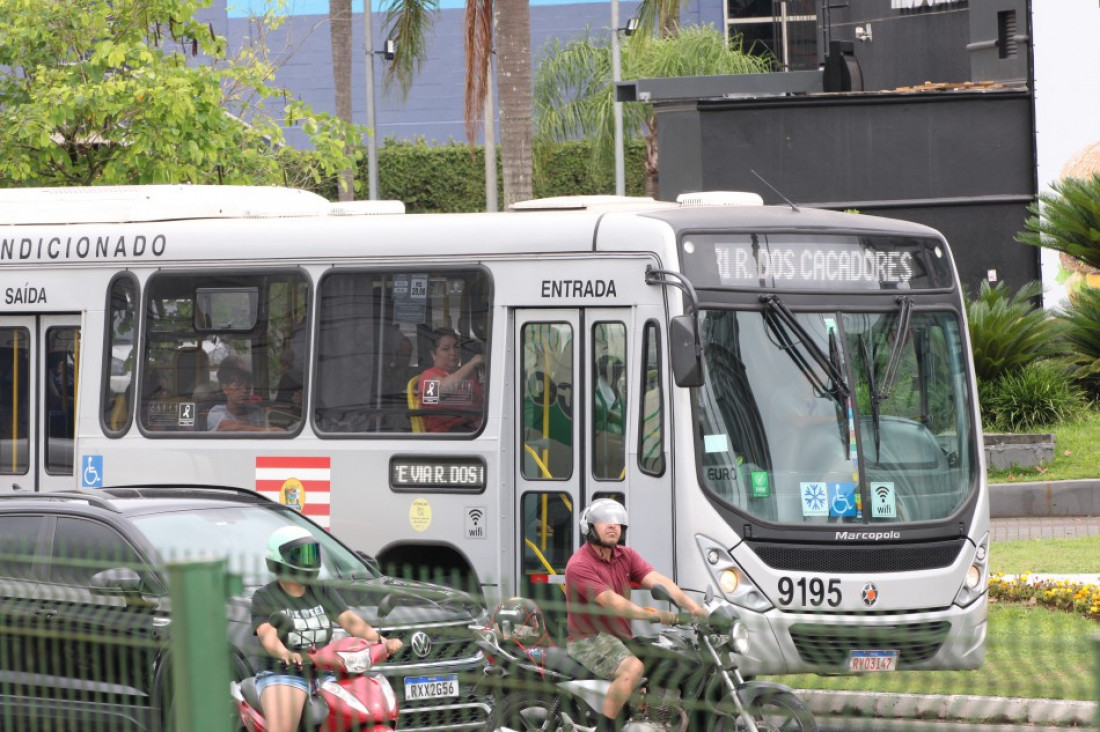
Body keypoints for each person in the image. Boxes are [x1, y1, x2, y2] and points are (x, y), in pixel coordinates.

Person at [564, 499, 706, 731]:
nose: (612, 526)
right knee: (632, 669)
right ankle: (605, 727)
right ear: (589, 528)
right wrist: (651, 615)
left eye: (617, 522)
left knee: (678, 662)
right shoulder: (579, 565)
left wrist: (694, 607)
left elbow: (658, 581)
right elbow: (612, 603)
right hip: (589, 640)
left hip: (621, 638)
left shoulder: (626, 555)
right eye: (604, 522)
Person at [251, 526, 403, 732]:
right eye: (301, 555)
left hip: (326, 671)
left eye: (312, 553)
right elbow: (267, 635)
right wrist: (285, 653)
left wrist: (381, 641)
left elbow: (350, 621)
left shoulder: (321, 590)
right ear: (280, 559)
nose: (309, 560)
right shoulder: (265, 596)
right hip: (284, 673)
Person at [418, 329, 485, 432]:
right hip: (448, 435)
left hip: (476, 428)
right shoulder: (428, 376)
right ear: (433, 355)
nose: (453, 352)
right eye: (445, 349)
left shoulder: (466, 374)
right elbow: (444, 388)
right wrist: (472, 363)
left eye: (456, 347)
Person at [206, 356, 281, 432]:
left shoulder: (257, 412)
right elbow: (227, 428)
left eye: (247, 387)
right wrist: (267, 430)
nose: (244, 390)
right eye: (238, 386)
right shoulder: (217, 412)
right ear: (225, 389)